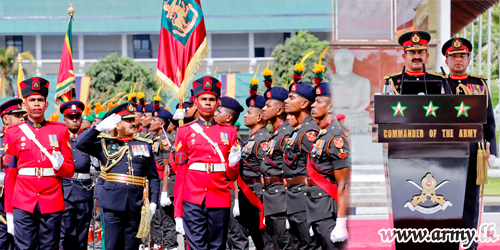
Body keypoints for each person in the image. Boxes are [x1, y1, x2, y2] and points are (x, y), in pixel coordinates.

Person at [3, 77, 75, 250]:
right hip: (23, 201)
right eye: (32, 100)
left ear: (46, 104)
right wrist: (9, 211)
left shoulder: (60, 130)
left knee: (49, 247)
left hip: (52, 200)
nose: (36, 104)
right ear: (24, 104)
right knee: (25, 247)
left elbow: (70, 171)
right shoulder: (13, 133)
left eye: (40, 100)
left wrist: (60, 166)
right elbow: (10, 174)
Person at [76, 102, 160, 250]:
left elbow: (153, 177)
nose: (132, 123)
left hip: (135, 204)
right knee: (112, 245)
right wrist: (98, 128)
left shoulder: (144, 144)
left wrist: (153, 202)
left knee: (132, 246)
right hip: (111, 204)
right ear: (116, 124)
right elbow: (80, 144)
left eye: (133, 120)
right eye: (127, 120)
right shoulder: (104, 143)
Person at [172, 76, 242, 249]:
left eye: (212, 99)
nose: (208, 103)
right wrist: (178, 212)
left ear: (218, 102)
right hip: (192, 197)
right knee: (196, 246)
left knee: (217, 246)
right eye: (204, 99)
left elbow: (232, 176)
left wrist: (233, 164)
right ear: (196, 101)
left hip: (219, 197)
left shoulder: (230, 132)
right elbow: (180, 173)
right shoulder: (184, 131)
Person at [442, 37, 496, 250]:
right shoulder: (439, 83)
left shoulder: (479, 84)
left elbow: (489, 119)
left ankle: (470, 243)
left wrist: (491, 147)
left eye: (462, 56)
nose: (458, 60)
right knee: (446, 196)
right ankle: (448, 241)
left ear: (469, 59)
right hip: (446, 151)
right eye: (453, 56)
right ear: (446, 61)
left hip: (474, 149)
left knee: (471, 199)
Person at [307, 79, 350, 249]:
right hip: (317, 208)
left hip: (328, 209)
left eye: (318, 102)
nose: (312, 105)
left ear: (331, 107)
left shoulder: (336, 137)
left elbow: (343, 183)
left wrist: (341, 222)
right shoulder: (322, 135)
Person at [283, 81, 319, 249]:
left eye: (291, 97)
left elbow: (319, 168)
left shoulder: (310, 132)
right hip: (293, 197)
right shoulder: (298, 130)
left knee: (309, 245)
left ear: (304, 103)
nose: (286, 101)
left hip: (305, 197)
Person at [237, 94, 274, 250]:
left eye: (249, 112)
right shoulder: (252, 139)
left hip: (258, 198)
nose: (245, 115)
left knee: (266, 242)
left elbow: (266, 172)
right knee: (259, 242)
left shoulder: (264, 140)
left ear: (259, 117)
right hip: (248, 196)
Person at [58, 101, 94, 250]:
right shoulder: (59, 140)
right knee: (66, 234)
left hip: (84, 191)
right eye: (70, 117)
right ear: (64, 120)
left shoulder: (88, 140)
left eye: (77, 117)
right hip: (65, 191)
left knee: (82, 233)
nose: (74, 120)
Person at [214, 96, 248, 250]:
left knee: (237, 237)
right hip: (221, 193)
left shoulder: (235, 141)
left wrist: (237, 201)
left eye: (218, 111)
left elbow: (237, 172)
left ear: (228, 117)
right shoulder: (218, 138)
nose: (214, 113)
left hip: (233, 194)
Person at [150, 108, 178, 250]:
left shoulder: (165, 141)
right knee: (155, 218)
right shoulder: (155, 139)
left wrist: (165, 192)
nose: (151, 122)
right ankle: (157, 244)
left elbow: (167, 167)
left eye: (154, 120)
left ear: (161, 124)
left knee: (166, 219)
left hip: (164, 183)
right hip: (156, 182)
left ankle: (170, 246)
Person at [0, 98, 26, 250]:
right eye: (17, 115)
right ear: (5, 119)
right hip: (2, 202)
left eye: (23, 114)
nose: (22, 118)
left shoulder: (26, 141)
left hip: (23, 197)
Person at [330, 48, 371, 132]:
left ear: (352, 62)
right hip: (335, 113)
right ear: (335, 62)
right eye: (340, 59)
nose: (344, 62)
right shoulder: (329, 80)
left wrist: (354, 111)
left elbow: (365, 102)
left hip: (355, 115)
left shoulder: (363, 81)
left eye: (347, 59)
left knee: (366, 118)